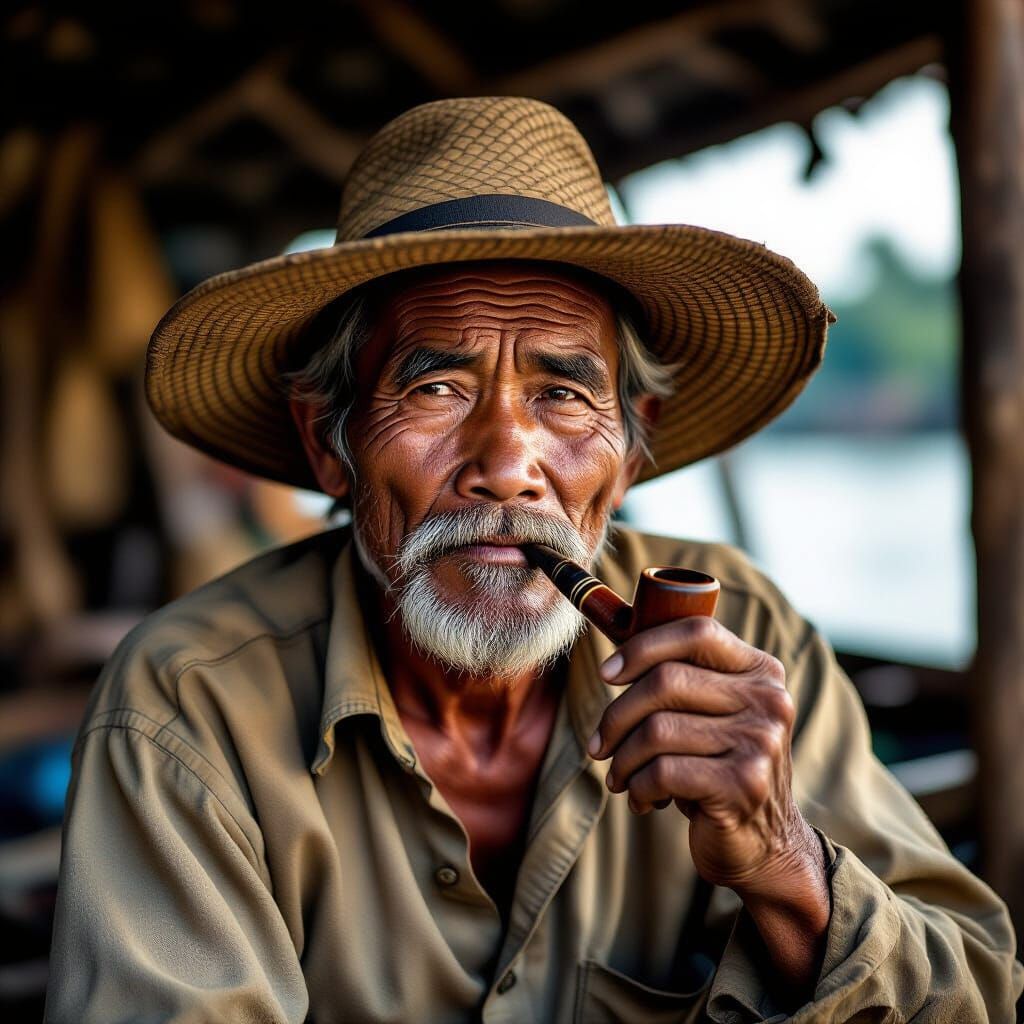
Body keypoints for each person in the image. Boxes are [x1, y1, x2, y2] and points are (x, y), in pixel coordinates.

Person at [45, 96, 1021, 1023]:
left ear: (631, 449)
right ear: (326, 443)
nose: (507, 467)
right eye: (435, 388)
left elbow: (976, 995)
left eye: (563, 395)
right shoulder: (192, 699)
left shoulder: (742, 635)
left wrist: (783, 859)